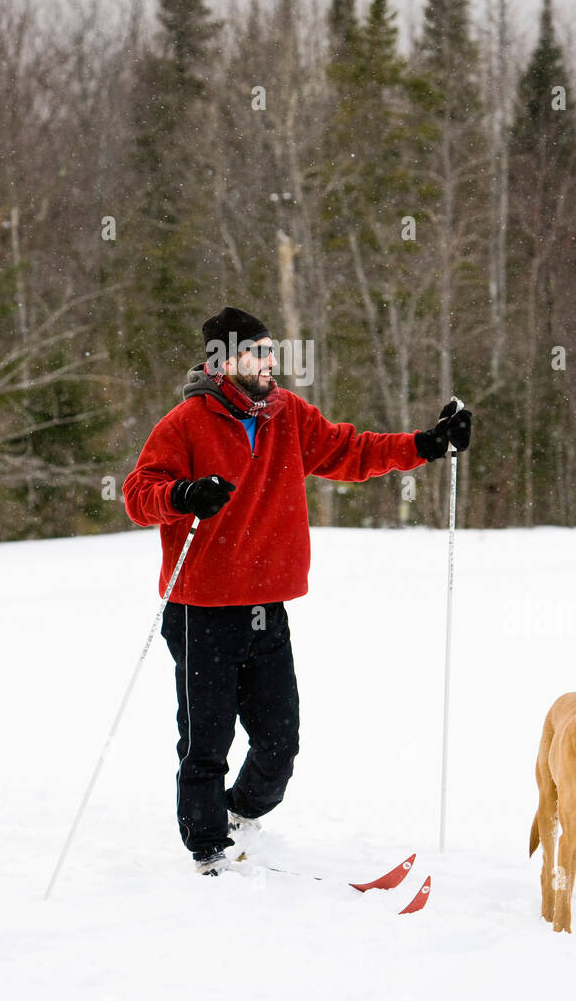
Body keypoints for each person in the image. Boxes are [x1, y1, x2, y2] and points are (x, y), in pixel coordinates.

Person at [122, 306, 471, 874]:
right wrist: (182, 494)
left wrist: (427, 444)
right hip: (199, 610)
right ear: (221, 362)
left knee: (279, 743)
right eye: (256, 353)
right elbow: (140, 493)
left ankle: (240, 813)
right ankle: (208, 851)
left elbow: (351, 451)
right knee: (205, 743)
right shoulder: (184, 423)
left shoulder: (289, 416)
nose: (269, 363)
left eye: (270, 352)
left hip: (266, 607)